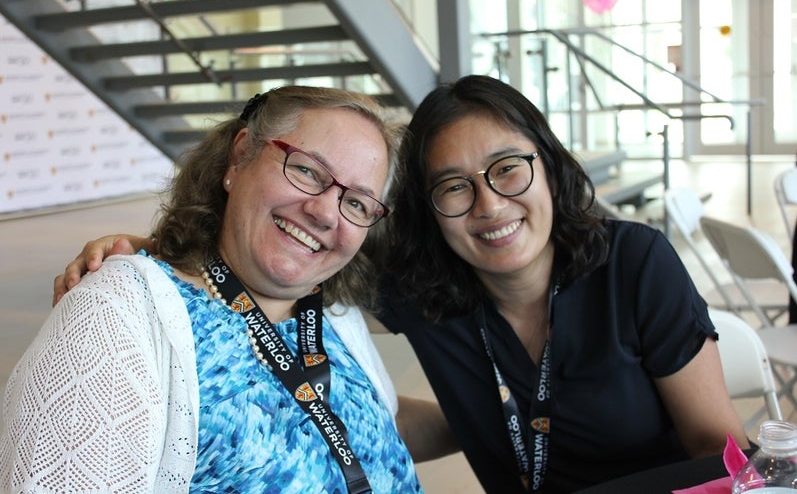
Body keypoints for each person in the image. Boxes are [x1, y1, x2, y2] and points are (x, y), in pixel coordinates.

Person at [50, 75, 749, 493]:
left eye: (508, 168)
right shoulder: (424, 285)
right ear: (428, 208)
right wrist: (157, 255)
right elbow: (292, 256)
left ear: (548, 164)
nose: (489, 205)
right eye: (453, 186)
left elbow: (716, 452)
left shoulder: (632, 262)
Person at [0, 85, 431, 493]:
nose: (324, 212)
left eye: (356, 202)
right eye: (306, 170)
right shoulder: (115, 315)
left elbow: (368, 432)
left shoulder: (334, 314)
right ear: (240, 156)